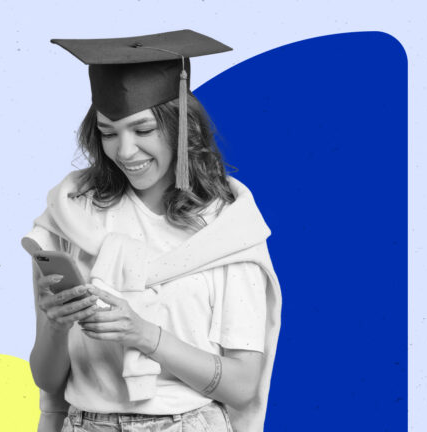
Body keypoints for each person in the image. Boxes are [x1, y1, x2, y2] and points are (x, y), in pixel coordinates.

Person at [22, 30, 282, 432]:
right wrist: (56, 326)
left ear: (183, 126)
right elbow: (48, 380)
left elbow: (243, 385)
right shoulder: (71, 218)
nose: (125, 151)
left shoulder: (227, 230)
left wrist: (145, 336)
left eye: (142, 130)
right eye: (109, 133)